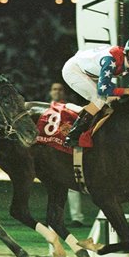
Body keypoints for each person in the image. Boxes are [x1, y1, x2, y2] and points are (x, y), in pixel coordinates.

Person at [61, 34, 129, 147]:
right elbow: (103, 90)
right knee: (99, 99)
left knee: (111, 101)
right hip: (74, 70)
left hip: (90, 73)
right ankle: (72, 136)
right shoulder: (110, 60)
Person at [48, 82, 85, 227]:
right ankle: (54, 219)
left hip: (65, 153)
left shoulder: (70, 109)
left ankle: (77, 218)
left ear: (64, 93)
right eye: (54, 89)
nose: (57, 92)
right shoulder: (45, 108)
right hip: (49, 153)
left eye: (60, 89)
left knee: (71, 187)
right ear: (51, 92)